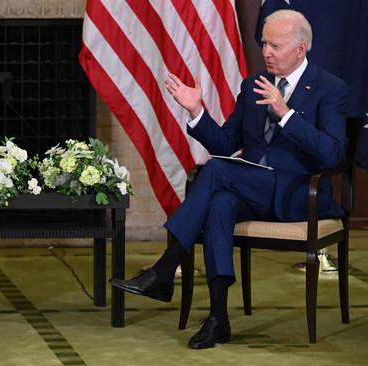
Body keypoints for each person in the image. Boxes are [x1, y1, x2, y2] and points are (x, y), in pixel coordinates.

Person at [110, 9, 347, 349]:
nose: (266, 52)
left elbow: (334, 154)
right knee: (220, 203)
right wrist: (197, 112)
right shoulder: (252, 85)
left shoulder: (330, 88)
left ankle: (165, 269)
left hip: (299, 195)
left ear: (301, 48)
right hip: (252, 190)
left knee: (217, 171)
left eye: (275, 46)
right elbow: (226, 143)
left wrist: (287, 115)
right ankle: (218, 318)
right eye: (264, 43)